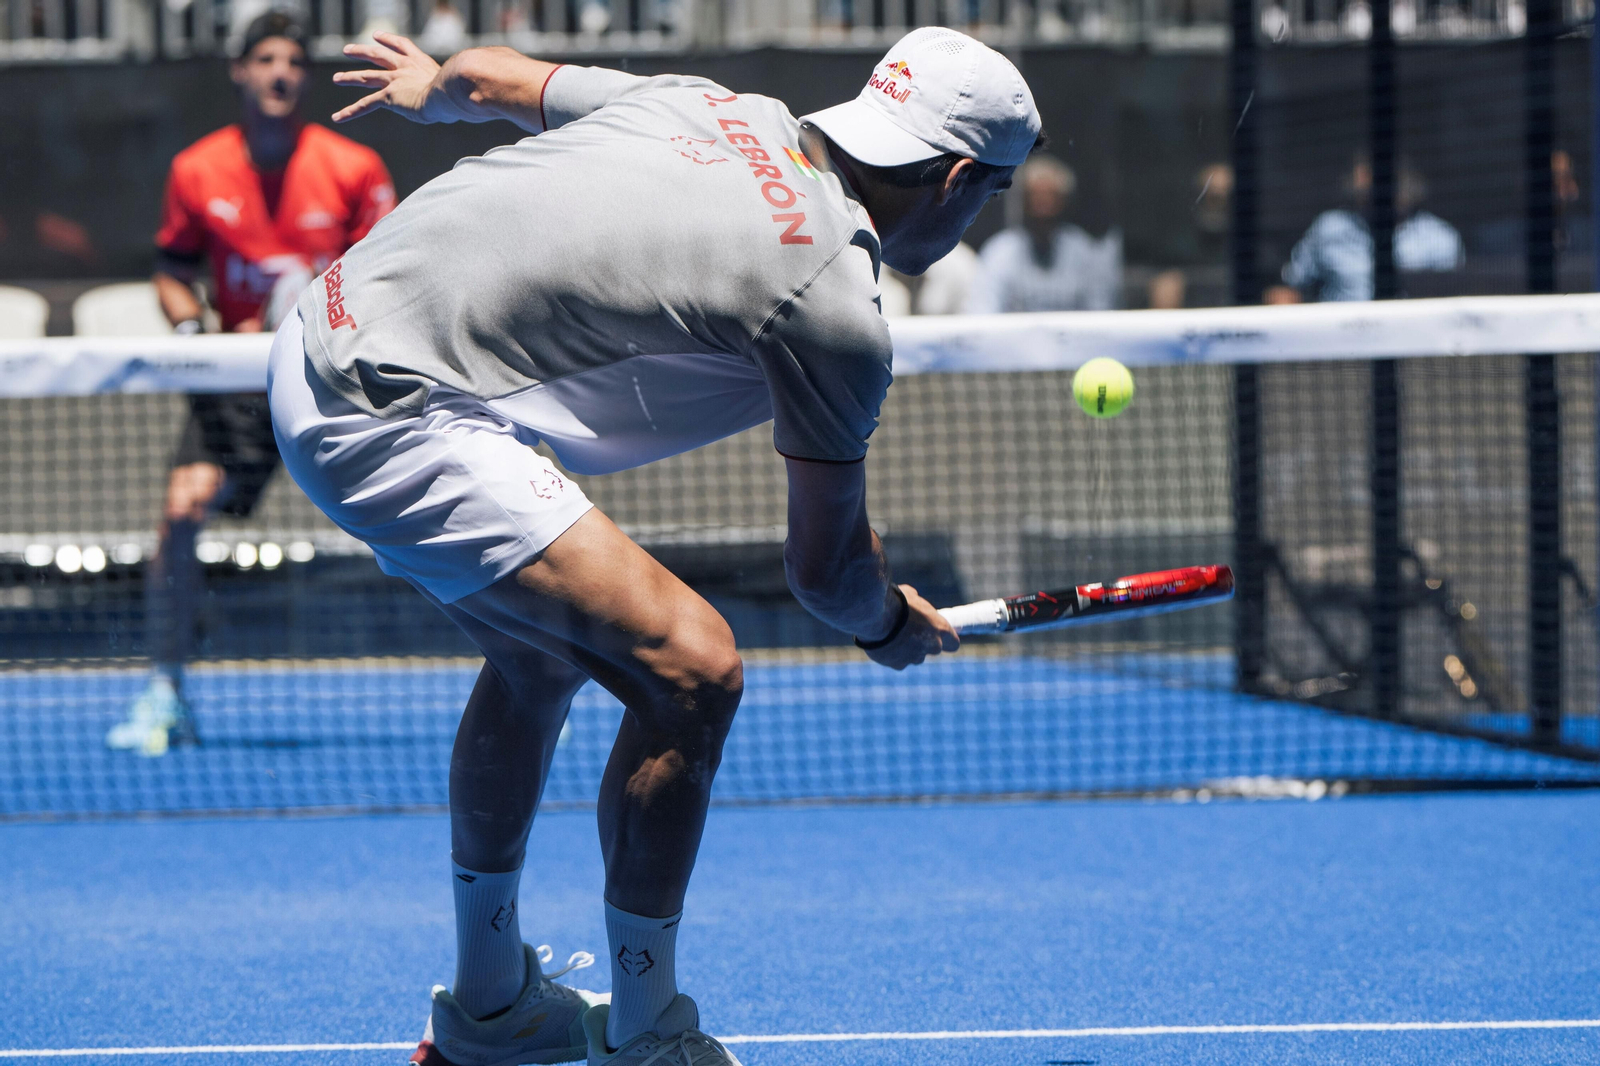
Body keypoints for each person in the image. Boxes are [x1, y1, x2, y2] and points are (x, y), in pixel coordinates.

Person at [270, 26, 1039, 1066]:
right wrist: (889, 620)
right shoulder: (831, 302)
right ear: (954, 180)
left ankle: (491, 1008)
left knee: (539, 653)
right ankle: (649, 1035)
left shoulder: (714, 105)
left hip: (324, 329)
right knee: (693, 665)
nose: (980, 211)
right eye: (992, 193)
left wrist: (426, 88)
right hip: (395, 410)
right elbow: (824, 578)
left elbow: (490, 73)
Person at [105, 11, 395, 756]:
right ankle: (166, 691)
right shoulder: (197, 171)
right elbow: (173, 272)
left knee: (416, 520)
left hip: (330, 378)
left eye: (294, 60)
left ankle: (514, 670)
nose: (280, 72)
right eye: (265, 58)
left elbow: (389, 278)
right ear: (239, 70)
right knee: (179, 513)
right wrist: (194, 336)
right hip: (237, 382)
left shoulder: (353, 169)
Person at [1265, 153, 1462, 304]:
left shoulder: (1439, 237)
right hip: (1339, 345)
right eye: (1369, 191)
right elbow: (1289, 287)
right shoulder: (1330, 228)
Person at [965, 154, 1121, 313]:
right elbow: (983, 314)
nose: (1042, 210)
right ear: (1023, 204)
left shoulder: (1084, 252)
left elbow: (1100, 317)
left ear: (1064, 203)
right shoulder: (999, 253)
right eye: (1035, 200)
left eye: (1050, 201)